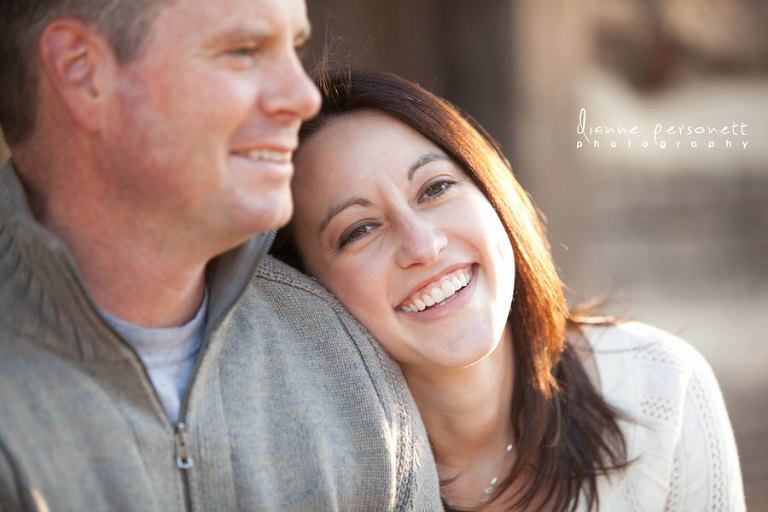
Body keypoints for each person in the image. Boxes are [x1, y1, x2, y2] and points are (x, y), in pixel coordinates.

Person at [0, 2, 442, 510]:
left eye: (292, 48)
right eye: (245, 51)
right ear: (82, 73)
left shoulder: (339, 352)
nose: (302, 96)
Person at [273, 69, 746, 511]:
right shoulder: (309, 477)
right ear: (307, 286)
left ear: (492, 193)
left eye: (435, 189)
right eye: (359, 230)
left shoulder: (659, 386)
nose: (423, 245)